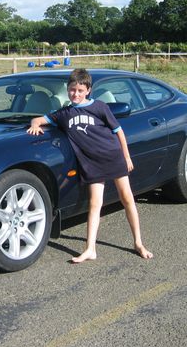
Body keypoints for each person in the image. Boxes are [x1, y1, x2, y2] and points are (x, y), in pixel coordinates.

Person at [27, 68, 153, 263]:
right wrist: (35, 125)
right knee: (95, 204)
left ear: (88, 90)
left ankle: (138, 243)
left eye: (79, 90)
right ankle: (90, 249)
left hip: (113, 157)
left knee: (127, 198)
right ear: (67, 90)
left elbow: (119, 132)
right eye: (71, 90)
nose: (75, 94)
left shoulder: (100, 107)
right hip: (92, 164)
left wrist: (126, 157)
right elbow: (38, 119)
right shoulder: (63, 113)